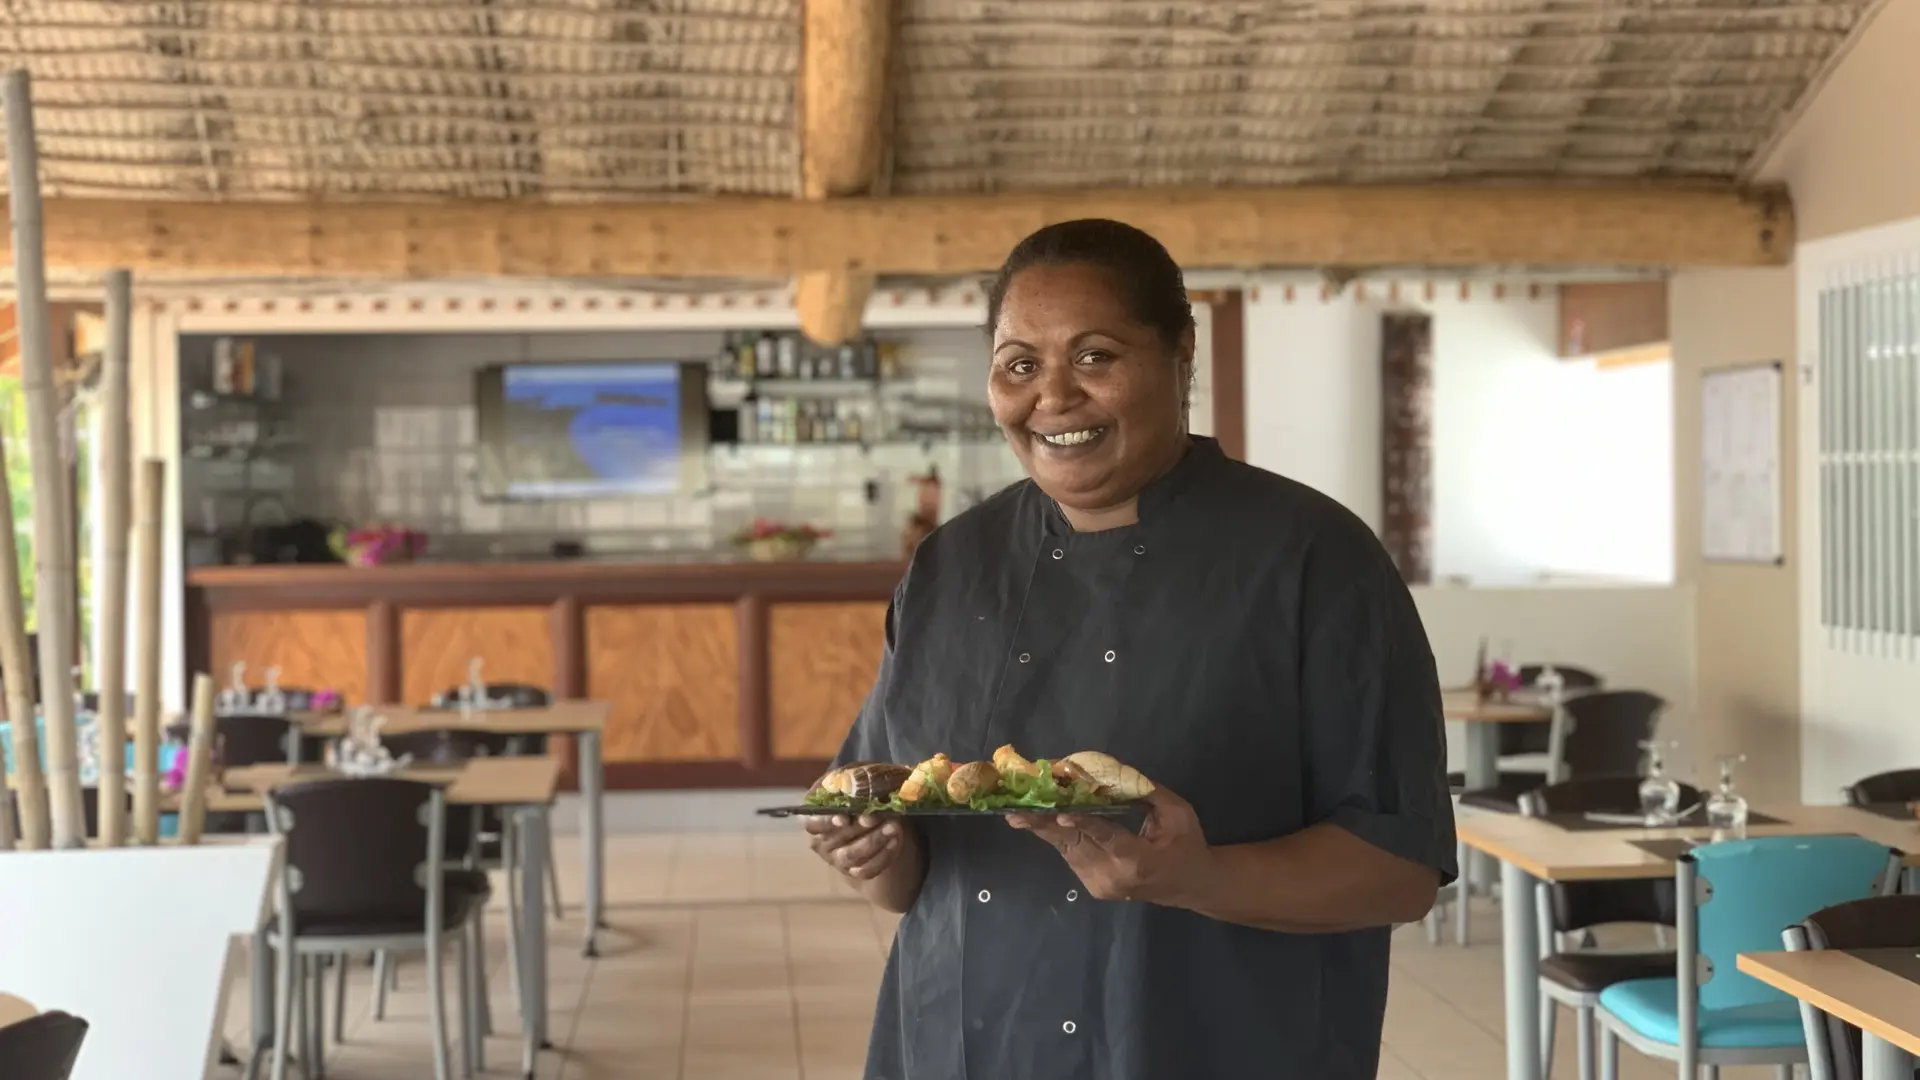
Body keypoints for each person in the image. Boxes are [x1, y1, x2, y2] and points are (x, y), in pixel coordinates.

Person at [805, 219, 1456, 1080]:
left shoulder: (1312, 558)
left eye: (1096, 356)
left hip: (1218, 1044)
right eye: (1020, 364)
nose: (1053, 397)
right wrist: (875, 853)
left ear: (1180, 353)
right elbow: (908, 871)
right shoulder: (949, 565)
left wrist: (1201, 878)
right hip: (963, 1046)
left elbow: (1401, 870)